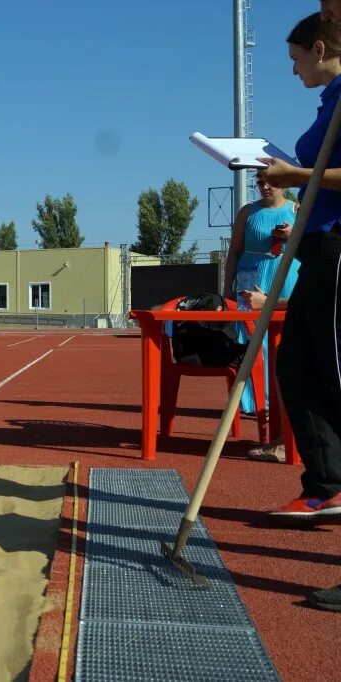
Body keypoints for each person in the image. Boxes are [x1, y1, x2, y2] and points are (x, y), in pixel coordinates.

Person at [257, 5, 341, 612]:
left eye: (293, 60)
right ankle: (327, 485)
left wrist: (298, 173)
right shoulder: (329, 99)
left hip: (339, 249)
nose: (292, 71)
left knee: (336, 380)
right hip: (316, 247)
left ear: (319, 45)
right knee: (295, 369)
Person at [221, 178, 301, 415]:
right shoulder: (248, 212)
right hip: (252, 275)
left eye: (271, 182)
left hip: (287, 275)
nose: (265, 186)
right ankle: (253, 400)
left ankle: (284, 399)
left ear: (284, 183)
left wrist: (292, 234)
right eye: (260, 182)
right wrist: (227, 289)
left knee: (287, 338)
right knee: (251, 338)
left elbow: (309, 245)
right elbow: (234, 251)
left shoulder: (296, 209)